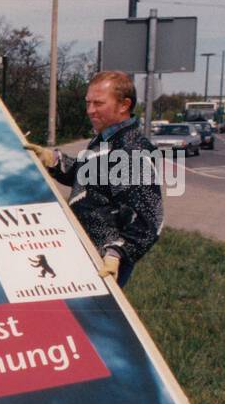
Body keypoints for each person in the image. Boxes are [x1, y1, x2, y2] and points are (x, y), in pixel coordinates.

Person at [24, 70, 164, 287]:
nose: (90, 110)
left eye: (98, 104)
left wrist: (118, 252)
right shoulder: (107, 138)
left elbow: (149, 220)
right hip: (87, 251)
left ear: (124, 105)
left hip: (105, 261)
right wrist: (53, 159)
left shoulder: (131, 149)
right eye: (88, 103)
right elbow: (90, 178)